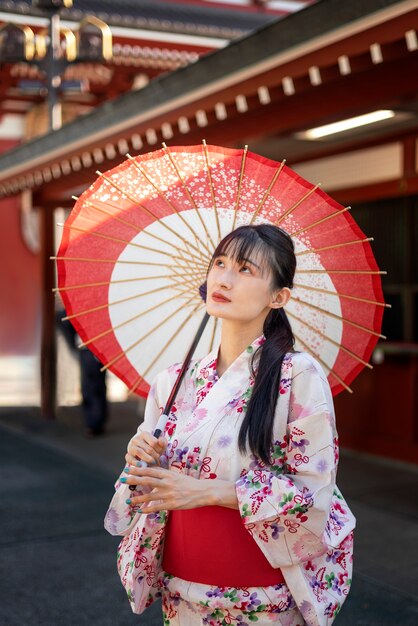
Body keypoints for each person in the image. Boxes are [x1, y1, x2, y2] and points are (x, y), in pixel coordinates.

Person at [104, 224, 355, 626]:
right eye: (219, 263)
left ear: (279, 296)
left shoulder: (298, 377)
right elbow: (142, 491)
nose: (222, 278)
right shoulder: (173, 380)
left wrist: (207, 492)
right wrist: (139, 460)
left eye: (244, 269)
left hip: (260, 592)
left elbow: (312, 492)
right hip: (181, 584)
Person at [56, 308, 108, 437]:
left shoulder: (98, 308)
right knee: (89, 386)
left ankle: (95, 422)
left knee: (96, 386)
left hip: (97, 347)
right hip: (86, 348)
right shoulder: (79, 306)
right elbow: (62, 319)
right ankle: (93, 422)